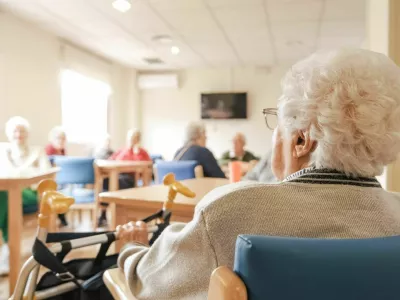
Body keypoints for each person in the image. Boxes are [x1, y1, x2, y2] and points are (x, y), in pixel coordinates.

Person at [116, 49, 400, 299]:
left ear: (301, 140)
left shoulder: (230, 211)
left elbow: (149, 283)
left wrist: (131, 245)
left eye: (276, 121)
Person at [0, 116, 51, 276]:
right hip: (6, 191)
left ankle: (7, 252)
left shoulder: (37, 151)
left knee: (7, 197)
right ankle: (8, 249)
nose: (18, 134)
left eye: (22, 130)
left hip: (30, 192)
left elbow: (46, 175)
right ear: (9, 133)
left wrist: (24, 172)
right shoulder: (2, 150)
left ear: (27, 133)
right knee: (6, 197)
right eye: (15, 130)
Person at [98, 129, 151, 227]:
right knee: (106, 181)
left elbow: (146, 167)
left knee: (114, 183)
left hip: (131, 179)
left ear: (138, 140)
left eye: (134, 138)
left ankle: (109, 216)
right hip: (117, 175)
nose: (131, 141)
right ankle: (103, 214)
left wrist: (136, 153)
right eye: (130, 138)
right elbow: (111, 160)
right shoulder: (122, 150)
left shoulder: (142, 152)